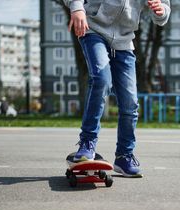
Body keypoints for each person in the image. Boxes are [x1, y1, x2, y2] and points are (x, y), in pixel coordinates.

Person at [64, 0, 170, 177]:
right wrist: (77, 8)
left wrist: (161, 11)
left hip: (125, 40)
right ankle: (87, 143)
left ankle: (124, 156)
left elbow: (164, 8)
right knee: (102, 79)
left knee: (130, 103)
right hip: (93, 29)